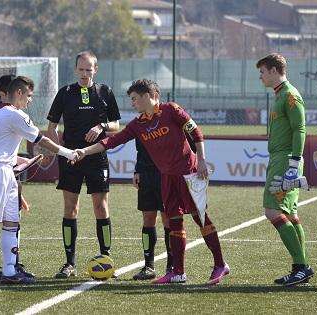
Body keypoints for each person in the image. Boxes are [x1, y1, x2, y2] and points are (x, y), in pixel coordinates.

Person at [72, 79, 229, 285]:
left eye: (135, 99)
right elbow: (112, 141)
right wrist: (84, 151)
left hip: (188, 173)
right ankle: (178, 272)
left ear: (148, 95)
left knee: (200, 218)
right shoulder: (138, 124)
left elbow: (195, 132)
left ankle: (220, 264)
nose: (133, 104)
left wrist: (201, 161)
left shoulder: (171, 109)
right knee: (174, 221)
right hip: (167, 176)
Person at [0, 76, 76, 285]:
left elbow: (1, 147)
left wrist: (24, 160)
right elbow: (41, 139)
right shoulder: (14, 114)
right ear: (19, 93)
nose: (30, 100)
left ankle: (9, 271)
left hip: (4, 171)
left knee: (11, 222)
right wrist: (67, 153)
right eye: (29, 95)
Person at [46, 51, 121, 278]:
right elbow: (51, 128)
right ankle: (69, 263)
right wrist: (63, 152)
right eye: (81, 69)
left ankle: (106, 258)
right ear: (75, 69)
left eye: (89, 70)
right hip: (71, 159)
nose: (85, 74)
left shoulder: (104, 91)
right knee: (71, 208)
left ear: (95, 70)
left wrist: (102, 127)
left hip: (96, 157)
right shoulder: (65, 93)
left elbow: (117, 124)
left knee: (101, 207)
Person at [256, 53, 313, 286]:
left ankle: (302, 266)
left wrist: (293, 163)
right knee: (290, 214)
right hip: (281, 158)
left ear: (273, 70)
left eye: (262, 72)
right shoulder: (280, 95)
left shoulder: (290, 95)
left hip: (285, 159)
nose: (260, 77)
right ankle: (301, 267)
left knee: (272, 211)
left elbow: (300, 129)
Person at [0, 74, 34, 281]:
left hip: (6, 171)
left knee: (12, 219)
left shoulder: (6, 114)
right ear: (4, 94)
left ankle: (12, 264)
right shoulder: (4, 113)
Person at [131, 139, 172, 280]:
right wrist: (137, 170)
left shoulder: (170, 118)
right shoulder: (141, 122)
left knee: (168, 220)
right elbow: (140, 151)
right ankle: (149, 266)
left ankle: (172, 266)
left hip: (166, 174)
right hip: (146, 174)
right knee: (148, 219)